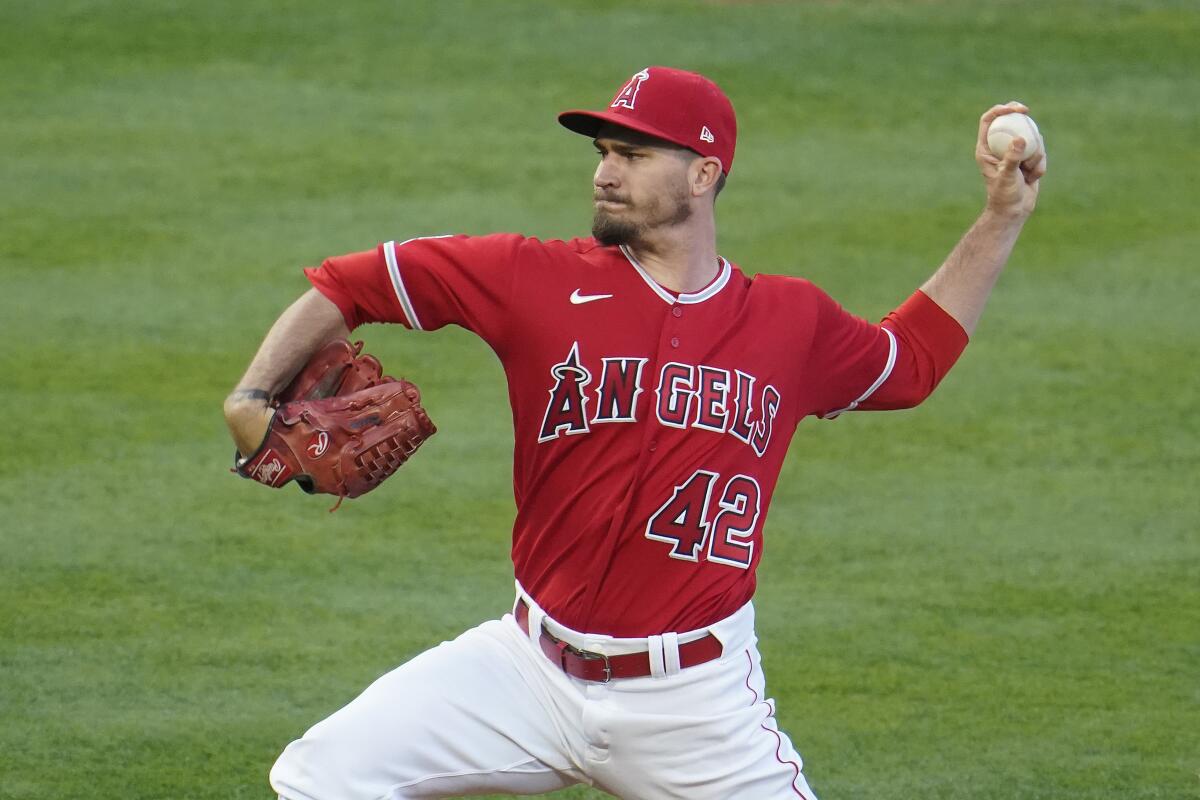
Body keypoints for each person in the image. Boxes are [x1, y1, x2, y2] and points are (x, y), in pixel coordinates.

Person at [223, 66, 1046, 800]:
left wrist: (1002, 216)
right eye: (601, 153)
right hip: (527, 669)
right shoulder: (532, 278)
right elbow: (350, 283)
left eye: (632, 155)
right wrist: (254, 392)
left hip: (694, 704)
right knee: (320, 777)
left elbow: (910, 362)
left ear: (703, 172)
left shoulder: (790, 321)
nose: (606, 174)